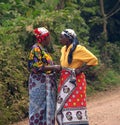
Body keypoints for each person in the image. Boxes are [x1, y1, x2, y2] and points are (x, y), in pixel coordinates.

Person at [56, 29, 98, 125]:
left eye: (62, 37)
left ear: (68, 39)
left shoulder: (79, 49)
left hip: (75, 81)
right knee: (65, 105)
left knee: (75, 104)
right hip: (64, 81)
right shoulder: (63, 49)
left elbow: (93, 60)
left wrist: (81, 69)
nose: (60, 39)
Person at [28, 27, 61, 125]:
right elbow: (36, 67)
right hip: (39, 84)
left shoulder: (43, 49)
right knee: (38, 109)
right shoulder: (36, 49)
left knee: (47, 108)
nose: (49, 39)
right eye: (48, 37)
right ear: (43, 38)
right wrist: (54, 67)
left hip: (46, 83)